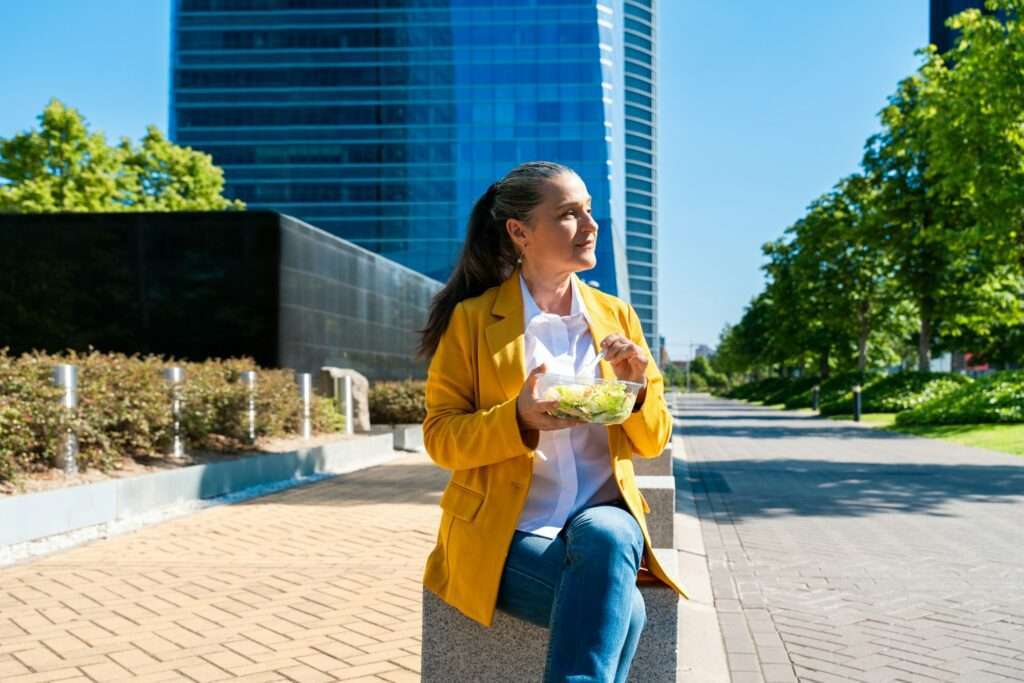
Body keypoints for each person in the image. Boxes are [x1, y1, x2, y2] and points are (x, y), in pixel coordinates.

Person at [418, 161, 688, 682]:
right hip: (506, 530)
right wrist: (516, 417)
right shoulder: (474, 321)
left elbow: (653, 440)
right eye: (568, 214)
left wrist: (635, 393)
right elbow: (441, 438)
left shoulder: (618, 317)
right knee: (625, 611)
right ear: (520, 232)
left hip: (601, 517)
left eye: (588, 210)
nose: (590, 226)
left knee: (609, 538)